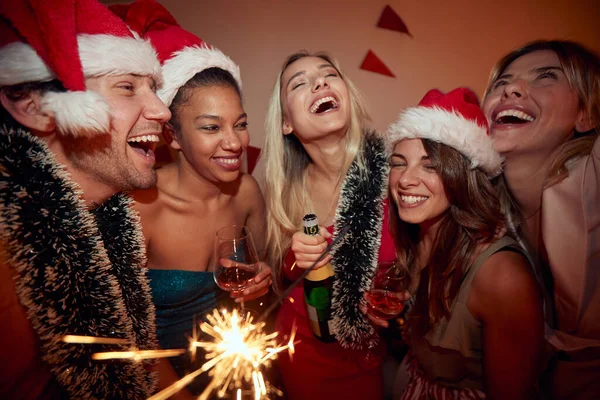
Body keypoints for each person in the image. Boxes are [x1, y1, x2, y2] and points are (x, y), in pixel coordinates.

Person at [0, 0, 171, 398]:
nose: (162, 110)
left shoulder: (105, 221)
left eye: (154, 89)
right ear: (34, 105)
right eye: (127, 87)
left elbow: (134, 359)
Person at [112, 1, 273, 396]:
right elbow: (122, 336)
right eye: (210, 127)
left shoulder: (248, 192)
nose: (234, 141)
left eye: (240, 124)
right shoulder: (140, 207)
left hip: (237, 370)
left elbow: (265, 294)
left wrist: (265, 282)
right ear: (173, 137)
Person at [382, 87, 544, 398]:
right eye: (399, 163)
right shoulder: (414, 240)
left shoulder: (502, 276)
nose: (404, 179)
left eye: (430, 166)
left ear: (463, 177)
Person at [262, 51, 396, 399]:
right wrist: (295, 257)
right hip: (301, 352)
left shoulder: (394, 176)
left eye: (328, 75)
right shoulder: (285, 192)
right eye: (300, 83)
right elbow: (279, 277)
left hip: (368, 354)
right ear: (286, 123)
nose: (320, 82)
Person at [482, 40, 600, 399]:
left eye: (546, 77)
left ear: (588, 115)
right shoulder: (489, 212)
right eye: (502, 82)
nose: (512, 89)